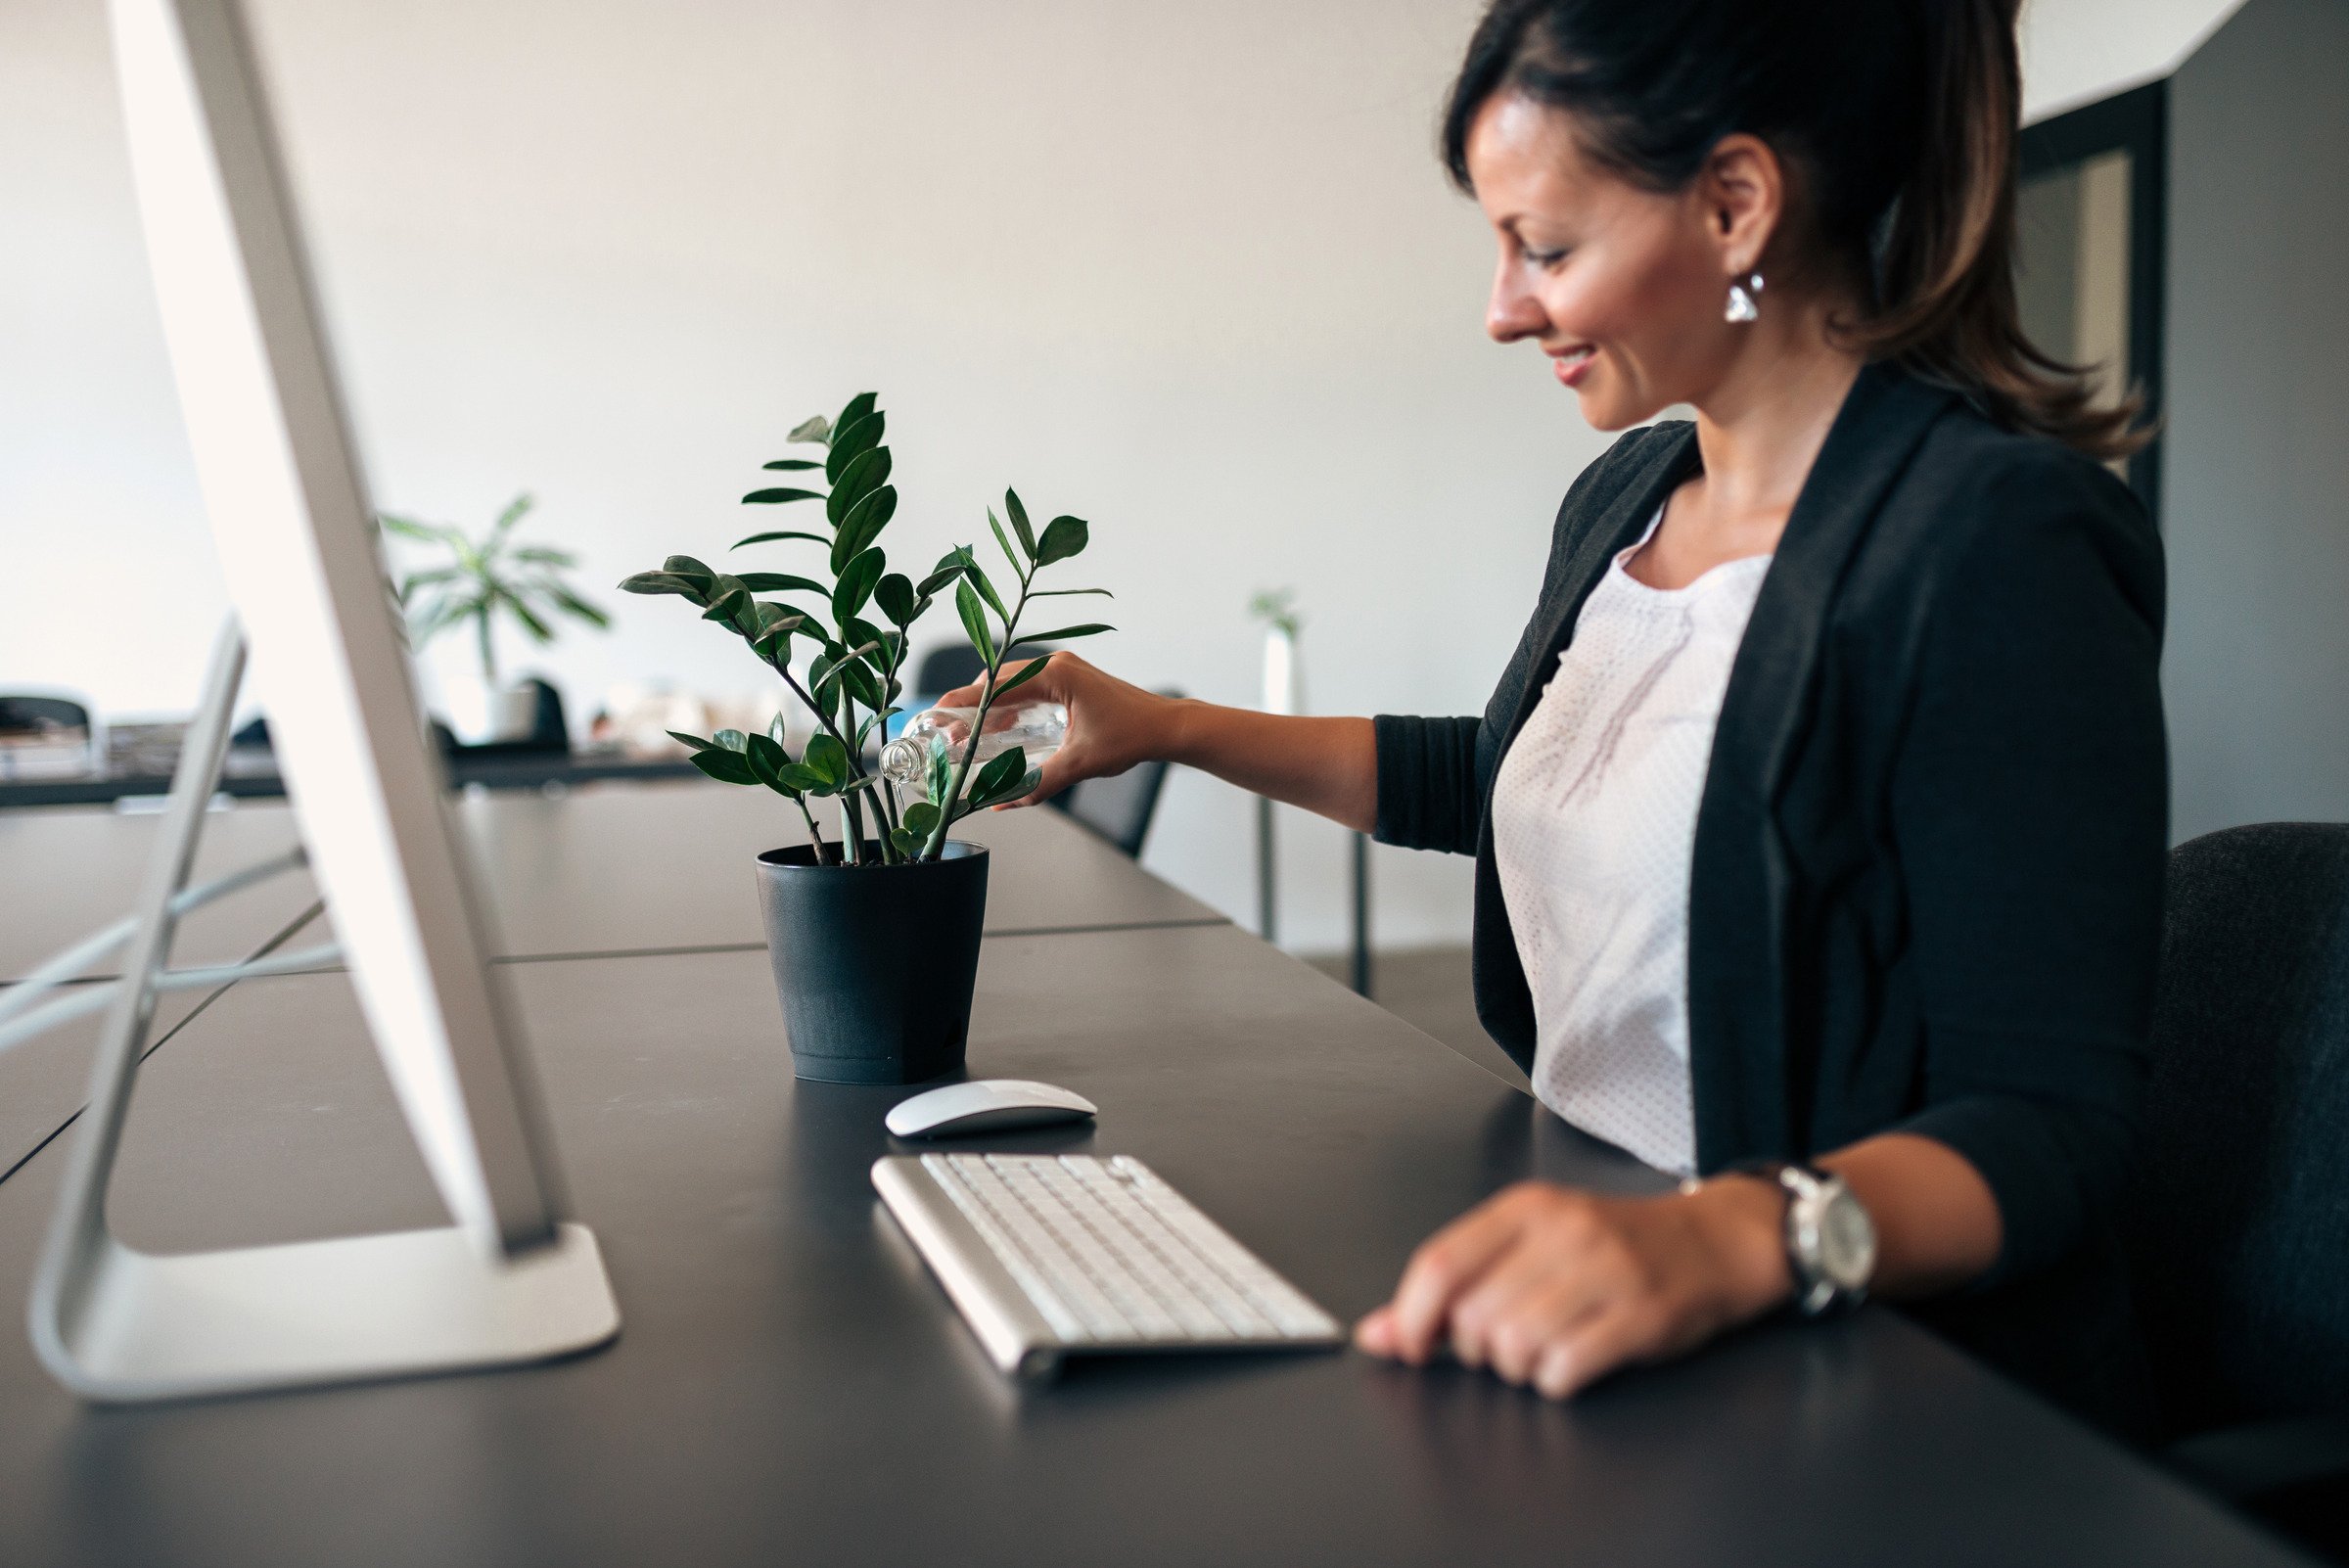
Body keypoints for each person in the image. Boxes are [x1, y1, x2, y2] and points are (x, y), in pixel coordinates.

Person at [938, 0, 2164, 1430]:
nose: (1504, 307)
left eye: (1549, 246)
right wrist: (1166, 722)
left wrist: (1725, 1235)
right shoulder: (1630, 497)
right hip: (1603, 1259)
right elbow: (1518, 775)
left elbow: (2052, 1124)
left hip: (1868, 1381)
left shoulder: (1994, 546)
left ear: (1734, 205)